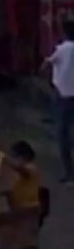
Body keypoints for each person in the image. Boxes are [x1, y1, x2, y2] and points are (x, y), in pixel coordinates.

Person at [44, 18, 74, 183]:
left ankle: (69, 172)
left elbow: (47, 64)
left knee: (62, 134)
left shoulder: (62, 49)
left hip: (63, 95)